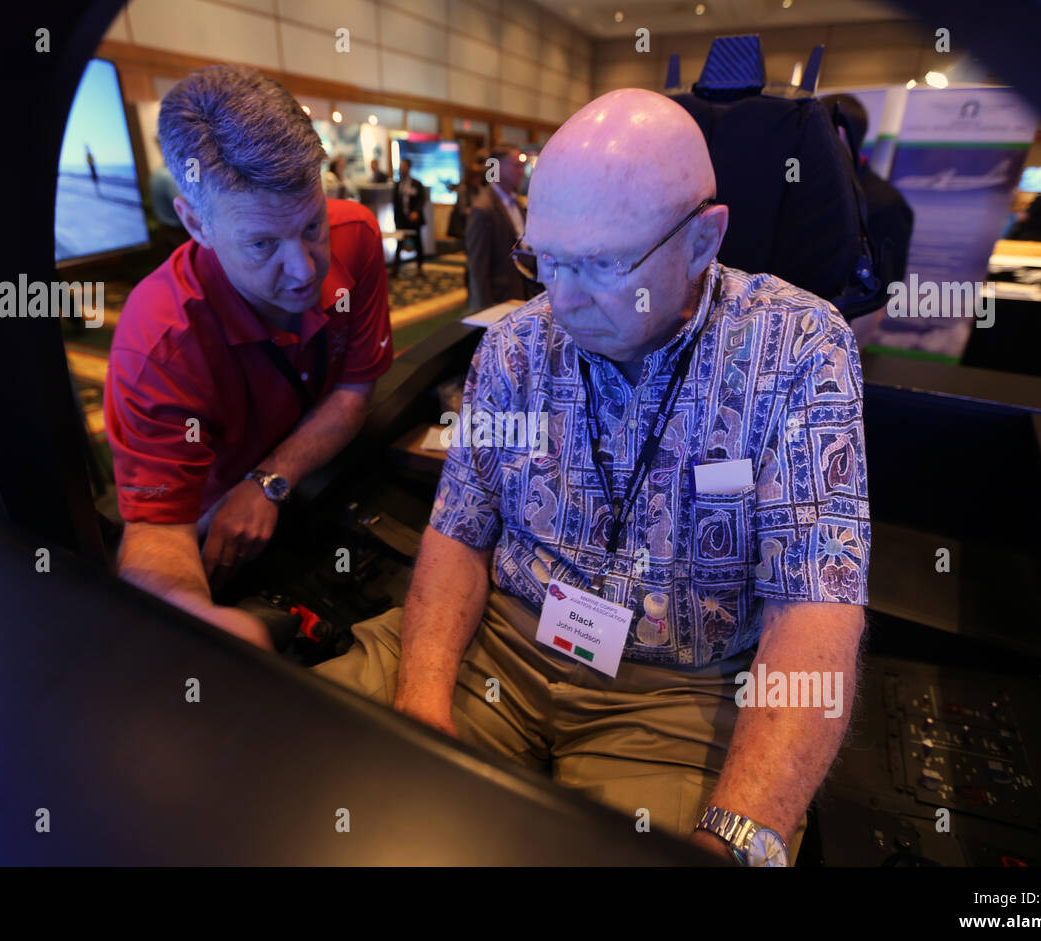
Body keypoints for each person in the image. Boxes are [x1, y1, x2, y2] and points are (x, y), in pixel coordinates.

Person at [315, 88, 869, 865]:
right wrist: (422, 704)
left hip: (679, 692)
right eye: (547, 261)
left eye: (604, 265)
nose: (562, 301)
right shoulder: (514, 345)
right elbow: (458, 530)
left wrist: (741, 834)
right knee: (313, 769)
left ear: (703, 240)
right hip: (502, 641)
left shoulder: (799, 349)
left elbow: (815, 602)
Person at [105, 65, 393, 649]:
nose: (304, 269)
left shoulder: (357, 235)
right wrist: (198, 624)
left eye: (311, 225)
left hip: (309, 484)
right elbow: (157, 532)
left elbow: (353, 392)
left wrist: (268, 481)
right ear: (196, 223)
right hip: (212, 526)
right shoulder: (158, 342)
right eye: (263, 243)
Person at [820, 94, 914, 348]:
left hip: (841, 333)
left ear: (840, 133)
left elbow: (879, 294)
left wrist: (846, 352)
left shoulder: (884, 204)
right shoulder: (811, 186)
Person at [464, 144, 541, 312]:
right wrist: (483, 311)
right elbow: (477, 268)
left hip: (520, 293)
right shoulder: (483, 209)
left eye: (522, 166)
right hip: (499, 299)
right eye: (516, 166)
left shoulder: (515, 203)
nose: (521, 171)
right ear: (496, 167)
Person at [392, 157, 426, 276]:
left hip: (414, 219)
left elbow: (422, 199)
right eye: (401, 167)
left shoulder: (416, 183)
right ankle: (396, 269)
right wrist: (396, 219)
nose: (402, 169)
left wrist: (416, 212)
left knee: (418, 243)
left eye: (404, 167)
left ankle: (420, 267)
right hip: (401, 219)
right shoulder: (398, 184)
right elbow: (395, 202)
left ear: (409, 167)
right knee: (399, 243)